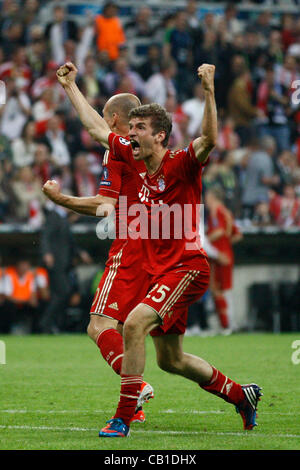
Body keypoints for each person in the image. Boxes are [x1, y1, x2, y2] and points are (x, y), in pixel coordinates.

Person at [55, 61, 262, 438]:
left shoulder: (181, 164)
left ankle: (122, 416)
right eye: (129, 128)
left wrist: (210, 91)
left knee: (132, 323)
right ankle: (239, 394)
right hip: (158, 269)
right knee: (172, 360)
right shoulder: (136, 163)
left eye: (138, 129)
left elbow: (209, 141)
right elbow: (96, 128)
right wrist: (69, 87)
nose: (129, 135)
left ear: (161, 136)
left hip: (187, 267)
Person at [42, 90, 154, 424]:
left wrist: (60, 198)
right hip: (163, 245)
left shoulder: (118, 150)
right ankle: (237, 394)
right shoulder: (155, 147)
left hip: (132, 245)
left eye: (106, 118)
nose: (103, 125)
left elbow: (105, 202)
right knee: (146, 340)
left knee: (97, 324)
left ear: (115, 120)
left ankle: (136, 387)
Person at [205, 187, 243, 334]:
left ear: (213, 197)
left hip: (220, 256)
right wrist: (226, 245)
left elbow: (220, 231)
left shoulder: (218, 212)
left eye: (208, 197)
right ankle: (227, 324)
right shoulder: (226, 212)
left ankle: (228, 324)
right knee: (218, 289)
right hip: (221, 254)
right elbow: (237, 235)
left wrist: (205, 240)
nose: (206, 200)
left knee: (222, 289)